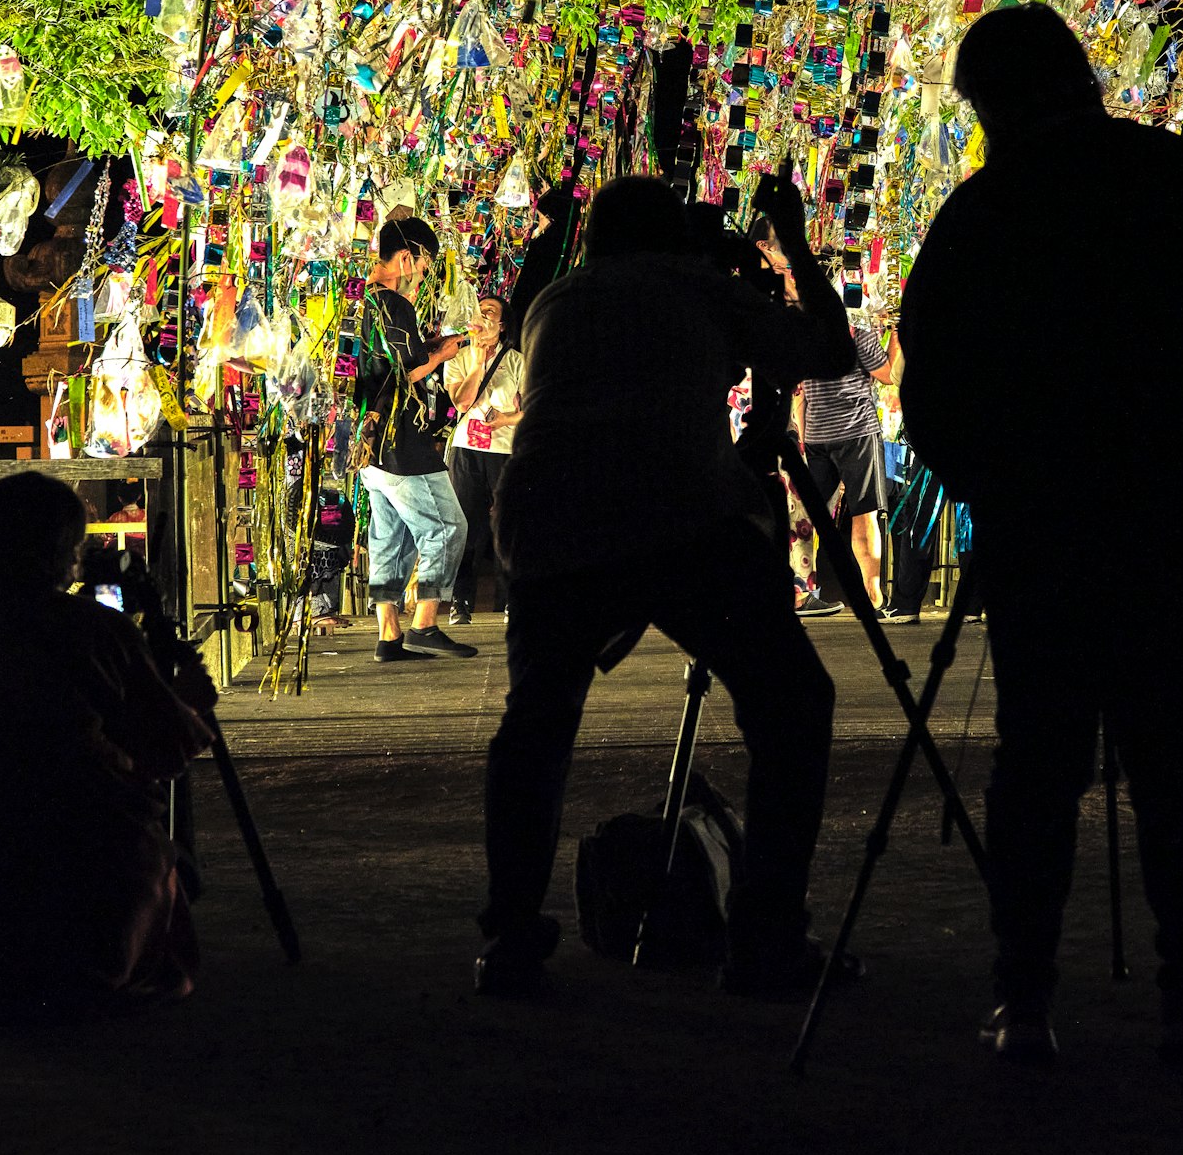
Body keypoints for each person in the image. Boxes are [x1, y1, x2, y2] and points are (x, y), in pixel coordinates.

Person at [899, 4, 1183, 1066]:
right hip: (1179, 512)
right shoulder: (1171, 177)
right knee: (1174, 756)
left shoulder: (985, 211)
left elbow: (933, 383)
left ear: (993, 104)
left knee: (1039, 760)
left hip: (1048, 524)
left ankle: (1023, 997)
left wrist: (999, 476)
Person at [477, 168, 856, 1001]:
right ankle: (765, 938)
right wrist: (790, 242)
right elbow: (832, 350)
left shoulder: (557, 301)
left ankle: (507, 935)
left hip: (549, 516)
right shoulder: (693, 283)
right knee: (792, 702)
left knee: (536, 724)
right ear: (672, 238)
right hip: (676, 511)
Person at [0, 468, 209, 1021]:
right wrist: (187, 697)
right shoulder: (94, 629)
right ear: (60, 548)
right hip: (80, 859)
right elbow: (167, 745)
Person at [351, 215, 473, 663]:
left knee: (389, 536)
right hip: (402, 442)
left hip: (369, 444)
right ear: (406, 257)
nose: (421, 277)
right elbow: (408, 370)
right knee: (447, 527)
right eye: (423, 267)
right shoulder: (393, 304)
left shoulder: (354, 300)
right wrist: (444, 350)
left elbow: (384, 364)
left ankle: (388, 636)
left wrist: (437, 344)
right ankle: (425, 622)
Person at [778, 247, 889, 616]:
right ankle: (871, 598)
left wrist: (807, 439)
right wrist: (896, 335)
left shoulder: (804, 336)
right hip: (856, 433)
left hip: (821, 437)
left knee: (809, 517)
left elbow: (803, 397)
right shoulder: (856, 333)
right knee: (864, 514)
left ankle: (802, 588)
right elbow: (888, 375)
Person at [444, 291, 525, 619]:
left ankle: (510, 600)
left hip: (504, 451)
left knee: (506, 525)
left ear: (502, 325)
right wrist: (477, 364)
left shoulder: (517, 360)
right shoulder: (459, 357)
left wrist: (505, 419)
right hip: (466, 451)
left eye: (490, 312)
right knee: (464, 526)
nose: (483, 317)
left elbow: (532, 407)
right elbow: (462, 403)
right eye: (479, 312)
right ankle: (459, 601)